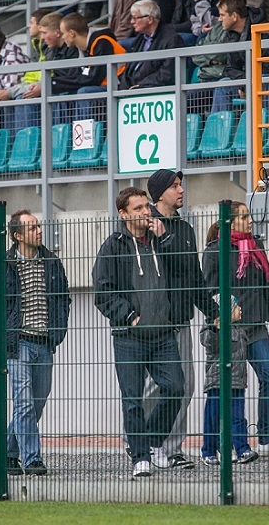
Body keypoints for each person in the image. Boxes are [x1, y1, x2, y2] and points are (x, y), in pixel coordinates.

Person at [142, 169, 234, 469]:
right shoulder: (145, 225)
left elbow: (194, 277)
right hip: (154, 322)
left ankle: (171, 449)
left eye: (181, 185)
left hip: (180, 320)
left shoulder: (184, 228)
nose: (181, 190)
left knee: (185, 386)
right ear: (160, 194)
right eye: (174, 186)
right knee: (156, 387)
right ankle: (142, 443)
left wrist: (214, 313)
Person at [92, 186, 187, 478]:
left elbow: (184, 272)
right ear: (123, 214)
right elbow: (102, 292)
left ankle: (151, 442)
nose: (146, 212)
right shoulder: (113, 246)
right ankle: (140, 457)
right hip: (128, 336)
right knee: (132, 399)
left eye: (147, 206)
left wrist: (166, 240)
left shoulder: (162, 238)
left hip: (163, 334)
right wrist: (129, 316)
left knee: (176, 388)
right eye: (138, 208)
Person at [0, 210, 71, 477]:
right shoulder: (2, 267)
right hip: (17, 345)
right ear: (17, 236)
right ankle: (32, 459)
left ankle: (8, 454)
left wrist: (58, 330)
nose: (39, 231)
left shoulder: (52, 263)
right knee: (24, 402)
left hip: (44, 343)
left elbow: (63, 299)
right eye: (32, 228)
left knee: (36, 403)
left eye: (38, 226)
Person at [202, 201, 269, 458]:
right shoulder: (215, 251)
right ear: (230, 222)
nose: (250, 221)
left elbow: (267, 285)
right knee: (230, 387)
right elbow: (209, 290)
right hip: (231, 330)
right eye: (244, 217)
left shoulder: (256, 247)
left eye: (249, 216)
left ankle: (266, 437)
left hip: (256, 327)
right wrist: (225, 314)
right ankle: (228, 444)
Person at [199, 222, 256, 466]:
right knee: (213, 414)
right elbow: (208, 342)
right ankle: (209, 450)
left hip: (237, 380)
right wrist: (216, 326)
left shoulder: (240, 329)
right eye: (236, 307)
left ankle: (241, 448)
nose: (241, 310)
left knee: (237, 416)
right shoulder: (215, 325)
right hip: (217, 379)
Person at [55, 12, 126, 122]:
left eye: (63, 33)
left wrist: (55, 83)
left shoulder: (102, 42)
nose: (62, 37)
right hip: (102, 87)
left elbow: (94, 78)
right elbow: (76, 76)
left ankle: (84, 131)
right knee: (63, 93)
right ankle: (63, 131)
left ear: (72, 33)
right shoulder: (81, 49)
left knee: (84, 92)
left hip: (119, 85)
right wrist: (53, 84)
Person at [120, 0, 185, 90]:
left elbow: (168, 74)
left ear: (150, 19)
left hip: (153, 91)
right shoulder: (139, 40)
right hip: (131, 90)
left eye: (135, 18)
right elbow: (127, 71)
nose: (132, 21)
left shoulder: (172, 39)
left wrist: (141, 86)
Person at [0, 29, 31, 135]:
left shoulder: (12, 54)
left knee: (11, 101)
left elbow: (12, 84)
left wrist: (2, 95)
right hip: (6, 105)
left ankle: (16, 141)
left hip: (21, 99)